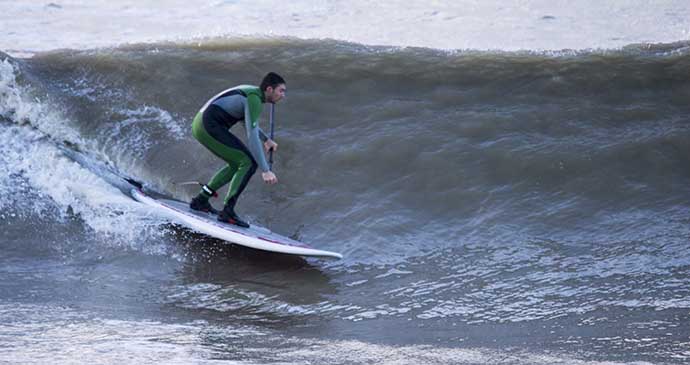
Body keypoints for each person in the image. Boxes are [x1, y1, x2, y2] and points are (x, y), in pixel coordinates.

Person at [189, 72, 286, 228]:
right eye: (281, 91)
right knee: (248, 163)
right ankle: (227, 212)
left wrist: (266, 139)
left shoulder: (252, 93)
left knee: (237, 164)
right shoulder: (254, 99)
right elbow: (251, 136)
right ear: (269, 89)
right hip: (207, 125)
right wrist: (265, 169)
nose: (283, 95)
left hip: (202, 124)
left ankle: (201, 200)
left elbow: (246, 121)